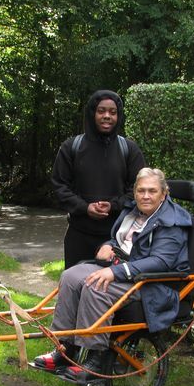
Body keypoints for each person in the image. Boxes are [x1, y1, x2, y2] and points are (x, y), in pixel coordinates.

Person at [33, 168, 192, 380]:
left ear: (164, 194)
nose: (146, 196)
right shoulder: (133, 211)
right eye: (141, 190)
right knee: (70, 277)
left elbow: (161, 261)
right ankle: (65, 348)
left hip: (150, 282)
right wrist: (108, 245)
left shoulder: (172, 221)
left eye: (152, 191)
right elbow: (121, 240)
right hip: (123, 270)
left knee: (96, 286)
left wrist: (115, 271)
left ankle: (96, 359)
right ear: (134, 192)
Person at [52, 90, 147, 269]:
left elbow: (139, 190)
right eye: (101, 111)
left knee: (111, 292)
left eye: (112, 112)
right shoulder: (72, 147)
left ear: (118, 116)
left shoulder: (129, 150)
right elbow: (59, 186)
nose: (107, 116)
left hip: (117, 238)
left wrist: (114, 205)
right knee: (75, 285)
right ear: (92, 113)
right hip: (79, 235)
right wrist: (85, 207)